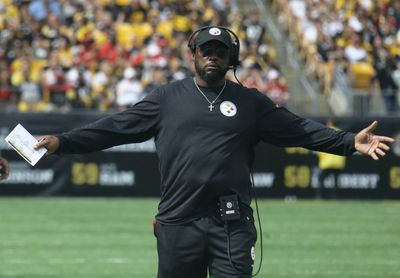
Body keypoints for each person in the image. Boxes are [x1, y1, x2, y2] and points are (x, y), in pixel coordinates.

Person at [34, 26, 395, 278]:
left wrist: (349, 142)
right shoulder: (166, 99)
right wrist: (64, 141)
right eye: (206, 50)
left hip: (232, 225)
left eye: (220, 52)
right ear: (193, 54)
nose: (212, 57)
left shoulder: (251, 102)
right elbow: (113, 129)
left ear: (231, 59)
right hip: (178, 222)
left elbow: (299, 129)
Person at [316, 119, 347, 199]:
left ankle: (320, 197)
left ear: (331, 123)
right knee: (336, 182)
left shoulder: (327, 132)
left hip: (327, 162)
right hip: (338, 162)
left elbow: (321, 146)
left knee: (321, 180)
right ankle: (336, 197)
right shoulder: (341, 133)